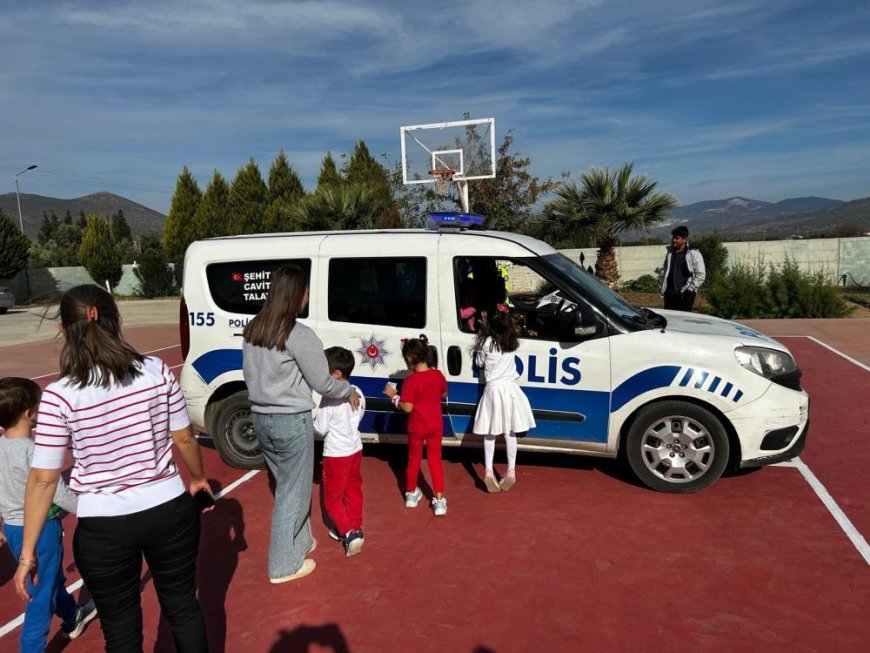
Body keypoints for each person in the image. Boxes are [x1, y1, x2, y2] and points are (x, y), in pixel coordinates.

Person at [13, 285, 210, 652]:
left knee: (120, 631)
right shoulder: (156, 371)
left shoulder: (60, 396)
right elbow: (184, 439)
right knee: (184, 608)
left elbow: (43, 479)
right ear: (117, 321)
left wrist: (26, 555)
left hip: (103, 527)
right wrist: (198, 480)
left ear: (63, 332)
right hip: (168, 509)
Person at [242, 264, 361, 583]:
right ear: (296, 294)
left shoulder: (254, 329)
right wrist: (348, 389)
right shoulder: (300, 335)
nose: (308, 295)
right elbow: (323, 383)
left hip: (262, 418)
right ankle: (283, 564)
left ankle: (302, 541)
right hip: (290, 421)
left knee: (287, 485)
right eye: (306, 290)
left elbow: (250, 375)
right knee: (291, 493)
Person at [1, 377, 97, 650]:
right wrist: (91, 510)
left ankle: (72, 615)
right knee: (39, 596)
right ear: (29, 414)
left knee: (49, 579)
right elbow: (58, 492)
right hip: (41, 530)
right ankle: (31, 647)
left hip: (13, 529)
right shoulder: (35, 451)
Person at [472, 304, 536, 493]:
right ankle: (511, 471)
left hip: (493, 390)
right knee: (510, 433)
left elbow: (479, 363)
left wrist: (481, 333)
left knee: (490, 433)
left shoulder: (486, 343)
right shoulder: (511, 341)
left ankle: (489, 471)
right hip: (511, 390)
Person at [383, 338, 448, 516]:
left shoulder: (411, 382)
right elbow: (444, 392)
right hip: (435, 425)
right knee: (435, 460)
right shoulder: (438, 375)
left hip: (416, 427)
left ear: (410, 359)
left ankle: (411, 494)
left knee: (414, 460)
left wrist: (394, 396)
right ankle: (440, 501)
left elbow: (408, 407)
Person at [314, 347, 366, 558]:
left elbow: (320, 428)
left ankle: (348, 532)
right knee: (353, 489)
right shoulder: (358, 392)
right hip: (355, 449)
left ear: (336, 374)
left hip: (336, 454)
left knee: (332, 498)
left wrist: (311, 412)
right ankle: (356, 526)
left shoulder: (329, 400)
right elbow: (360, 414)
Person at [660, 225, 706, 311]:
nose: (674, 240)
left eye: (677, 238)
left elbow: (701, 275)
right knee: (669, 320)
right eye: (673, 237)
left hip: (685, 294)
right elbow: (666, 271)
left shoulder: (694, 254)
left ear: (684, 239)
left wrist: (690, 290)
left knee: (683, 320)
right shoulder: (670, 254)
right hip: (670, 294)